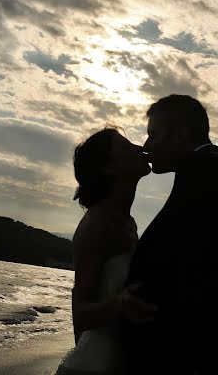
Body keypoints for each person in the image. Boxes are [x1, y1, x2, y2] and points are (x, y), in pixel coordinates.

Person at [122, 95, 218, 375]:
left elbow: (180, 267)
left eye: (153, 135)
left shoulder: (204, 174)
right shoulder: (216, 172)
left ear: (182, 135)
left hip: (213, 357)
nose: (146, 146)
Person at [56, 125, 158, 375]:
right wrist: (119, 305)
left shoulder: (128, 223)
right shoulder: (97, 224)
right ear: (108, 167)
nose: (139, 148)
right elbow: (79, 315)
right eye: (125, 147)